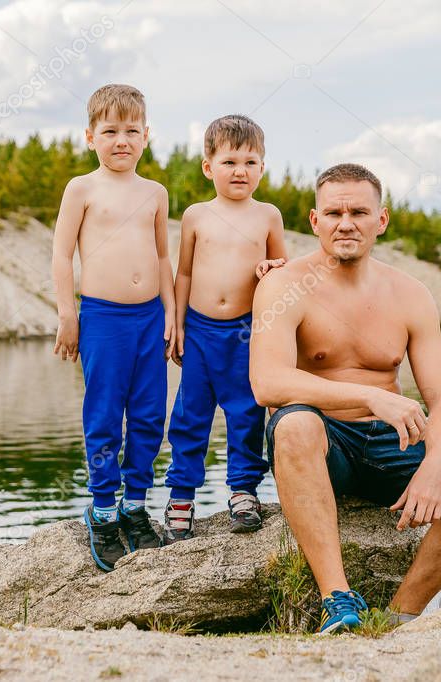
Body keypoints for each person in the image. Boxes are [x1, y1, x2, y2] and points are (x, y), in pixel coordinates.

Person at [249, 163, 441, 633]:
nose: (345, 222)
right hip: (323, 444)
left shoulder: (410, 294)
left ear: (381, 220)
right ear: (314, 222)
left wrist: (433, 467)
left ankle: (399, 616)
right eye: (333, 212)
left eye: (358, 211)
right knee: (292, 425)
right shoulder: (285, 284)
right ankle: (339, 601)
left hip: (393, 443)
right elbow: (267, 383)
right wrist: (370, 398)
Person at [51, 84, 176, 572]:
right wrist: (67, 312)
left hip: (149, 319)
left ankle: (135, 506)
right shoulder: (82, 188)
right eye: (110, 131)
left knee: (148, 416)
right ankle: (102, 511)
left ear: (146, 136)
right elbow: (62, 254)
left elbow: (164, 256)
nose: (121, 140)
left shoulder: (155, 193)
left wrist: (171, 313)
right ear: (90, 137)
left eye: (131, 130)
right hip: (102, 318)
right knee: (104, 416)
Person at [162, 114, 288, 543]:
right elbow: (182, 274)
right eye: (230, 161)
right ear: (208, 166)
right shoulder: (196, 215)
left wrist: (272, 268)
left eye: (251, 162)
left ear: (262, 169)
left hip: (244, 332)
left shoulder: (268, 215)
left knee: (245, 411)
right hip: (198, 330)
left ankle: (243, 492)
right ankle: (181, 497)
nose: (240, 171)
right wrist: (176, 323)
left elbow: (281, 270)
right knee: (190, 413)